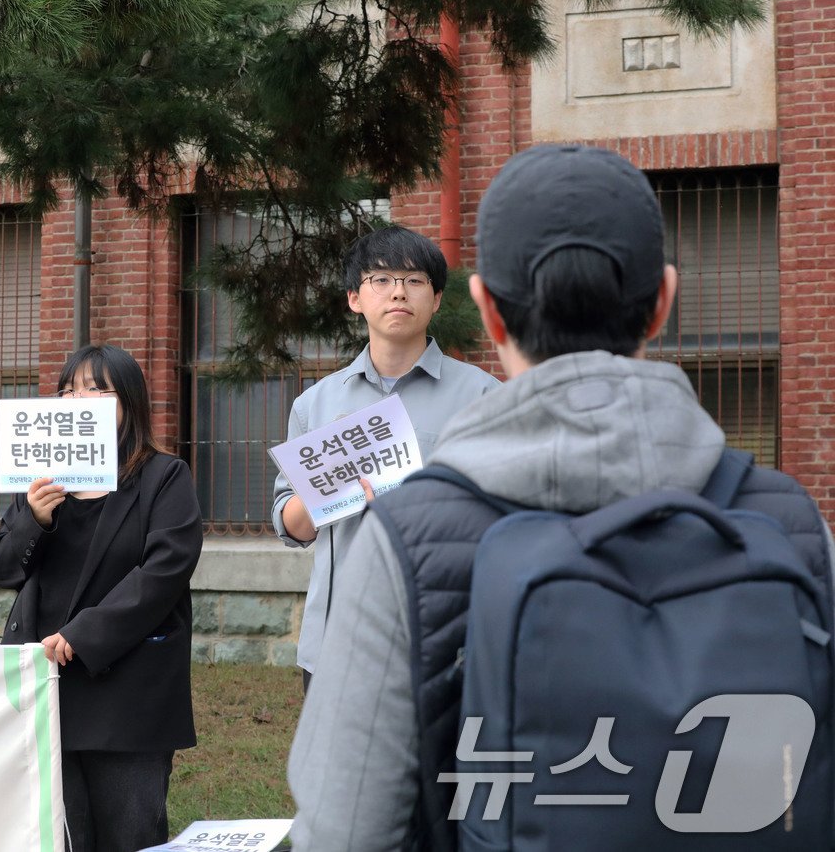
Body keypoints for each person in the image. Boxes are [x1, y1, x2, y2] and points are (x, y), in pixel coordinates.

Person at [286, 144, 835, 849]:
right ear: (663, 299)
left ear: (486, 310)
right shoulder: (794, 524)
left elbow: (345, 830)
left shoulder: (409, 536)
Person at [0, 344, 203, 852]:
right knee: (60, 835)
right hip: (46, 685)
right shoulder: (40, 483)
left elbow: (164, 571)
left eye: (95, 388)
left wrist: (82, 636)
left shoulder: (163, 477)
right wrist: (34, 520)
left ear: (128, 401)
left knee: (131, 833)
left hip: (128, 690)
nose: (77, 398)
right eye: (68, 389)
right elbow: (1, 567)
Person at [272, 225, 498, 688]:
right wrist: (332, 489)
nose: (399, 292)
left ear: (435, 299)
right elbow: (290, 525)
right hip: (337, 642)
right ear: (355, 298)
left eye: (414, 281)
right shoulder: (315, 404)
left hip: (446, 639)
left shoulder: (482, 395)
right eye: (382, 280)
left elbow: (502, 510)